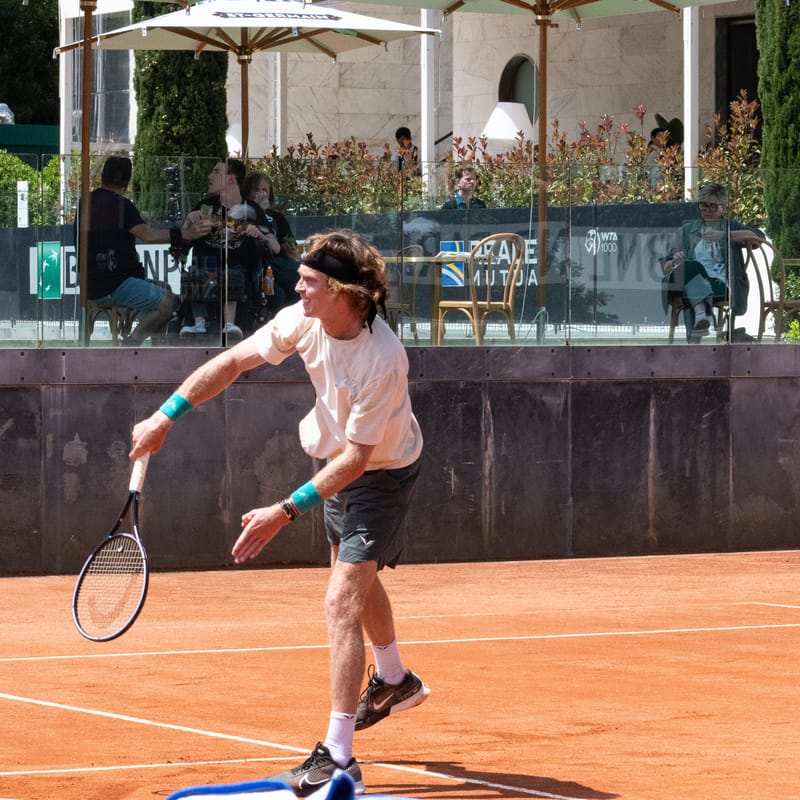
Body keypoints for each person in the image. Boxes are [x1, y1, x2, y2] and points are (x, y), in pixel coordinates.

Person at [129, 229, 429, 797]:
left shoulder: (384, 359)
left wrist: (283, 511)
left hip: (380, 474)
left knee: (341, 597)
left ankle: (338, 759)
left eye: (310, 281)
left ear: (343, 292)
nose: (297, 286)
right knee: (354, 581)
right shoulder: (305, 320)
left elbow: (360, 461)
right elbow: (236, 360)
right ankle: (393, 680)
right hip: (336, 460)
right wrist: (166, 416)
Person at [83, 155, 175, 346]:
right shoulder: (121, 205)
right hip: (114, 284)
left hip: (92, 283)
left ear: (103, 176)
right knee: (167, 301)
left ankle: (157, 348)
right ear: (126, 181)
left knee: (165, 288)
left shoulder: (86, 202)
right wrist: (184, 234)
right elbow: (148, 235)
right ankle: (131, 344)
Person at [178, 158, 272, 342]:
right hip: (206, 268)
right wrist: (189, 223)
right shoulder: (205, 205)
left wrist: (259, 233)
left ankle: (230, 324)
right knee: (195, 274)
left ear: (230, 179)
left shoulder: (251, 210)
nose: (209, 176)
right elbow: (182, 243)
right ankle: (199, 324)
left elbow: (273, 243)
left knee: (232, 274)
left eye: (216, 172)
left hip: (238, 270)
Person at [660, 182, 762, 343]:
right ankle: (703, 315)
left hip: (720, 283)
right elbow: (665, 266)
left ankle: (695, 340)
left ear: (723, 208)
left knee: (691, 289)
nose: (707, 210)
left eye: (713, 206)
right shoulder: (688, 229)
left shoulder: (730, 226)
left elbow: (757, 237)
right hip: (690, 277)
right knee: (691, 268)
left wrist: (724, 235)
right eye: (703, 206)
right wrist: (674, 262)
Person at [242, 170, 301, 317]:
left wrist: (287, 247)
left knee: (295, 293)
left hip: (280, 270)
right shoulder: (242, 216)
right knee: (278, 296)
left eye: (264, 190)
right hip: (256, 270)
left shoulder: (277, 217)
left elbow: (290, 246)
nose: (260, 194)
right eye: (256, 189)